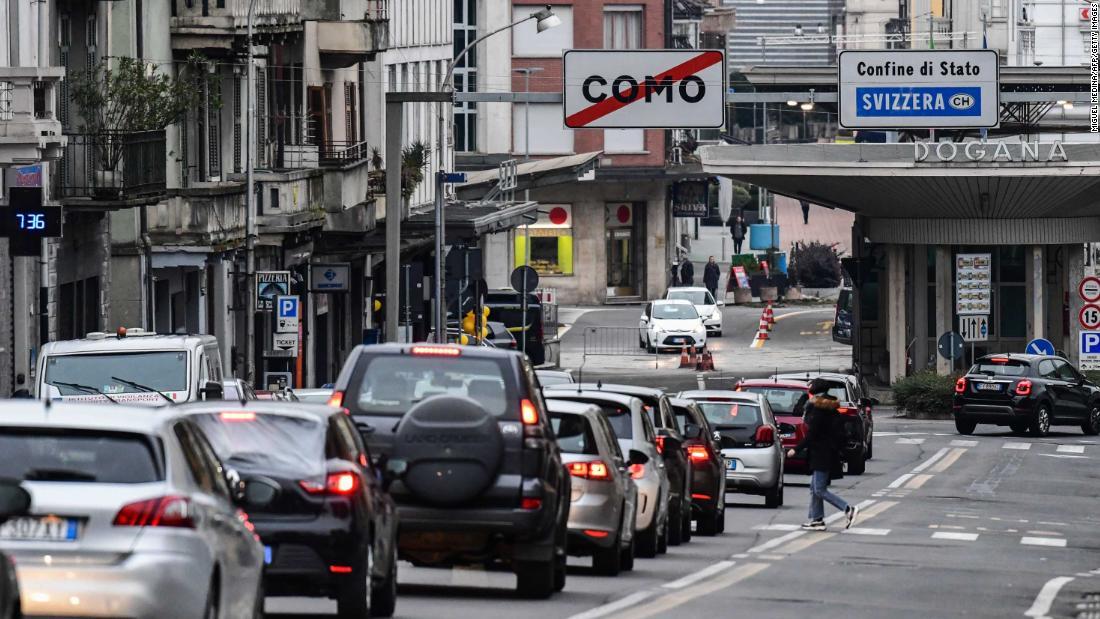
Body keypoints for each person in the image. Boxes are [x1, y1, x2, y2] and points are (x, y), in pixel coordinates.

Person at [788, 378, 859, 531]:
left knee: (819, 489)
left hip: (822, 453)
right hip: (823, 452)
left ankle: (848, 509)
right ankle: (817, 520)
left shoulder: (820, 409)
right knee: (814, 488)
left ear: (816, 389)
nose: (808, 386)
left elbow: (813, 433)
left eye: (811, 384)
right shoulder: (826, 406)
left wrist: (796, 449)